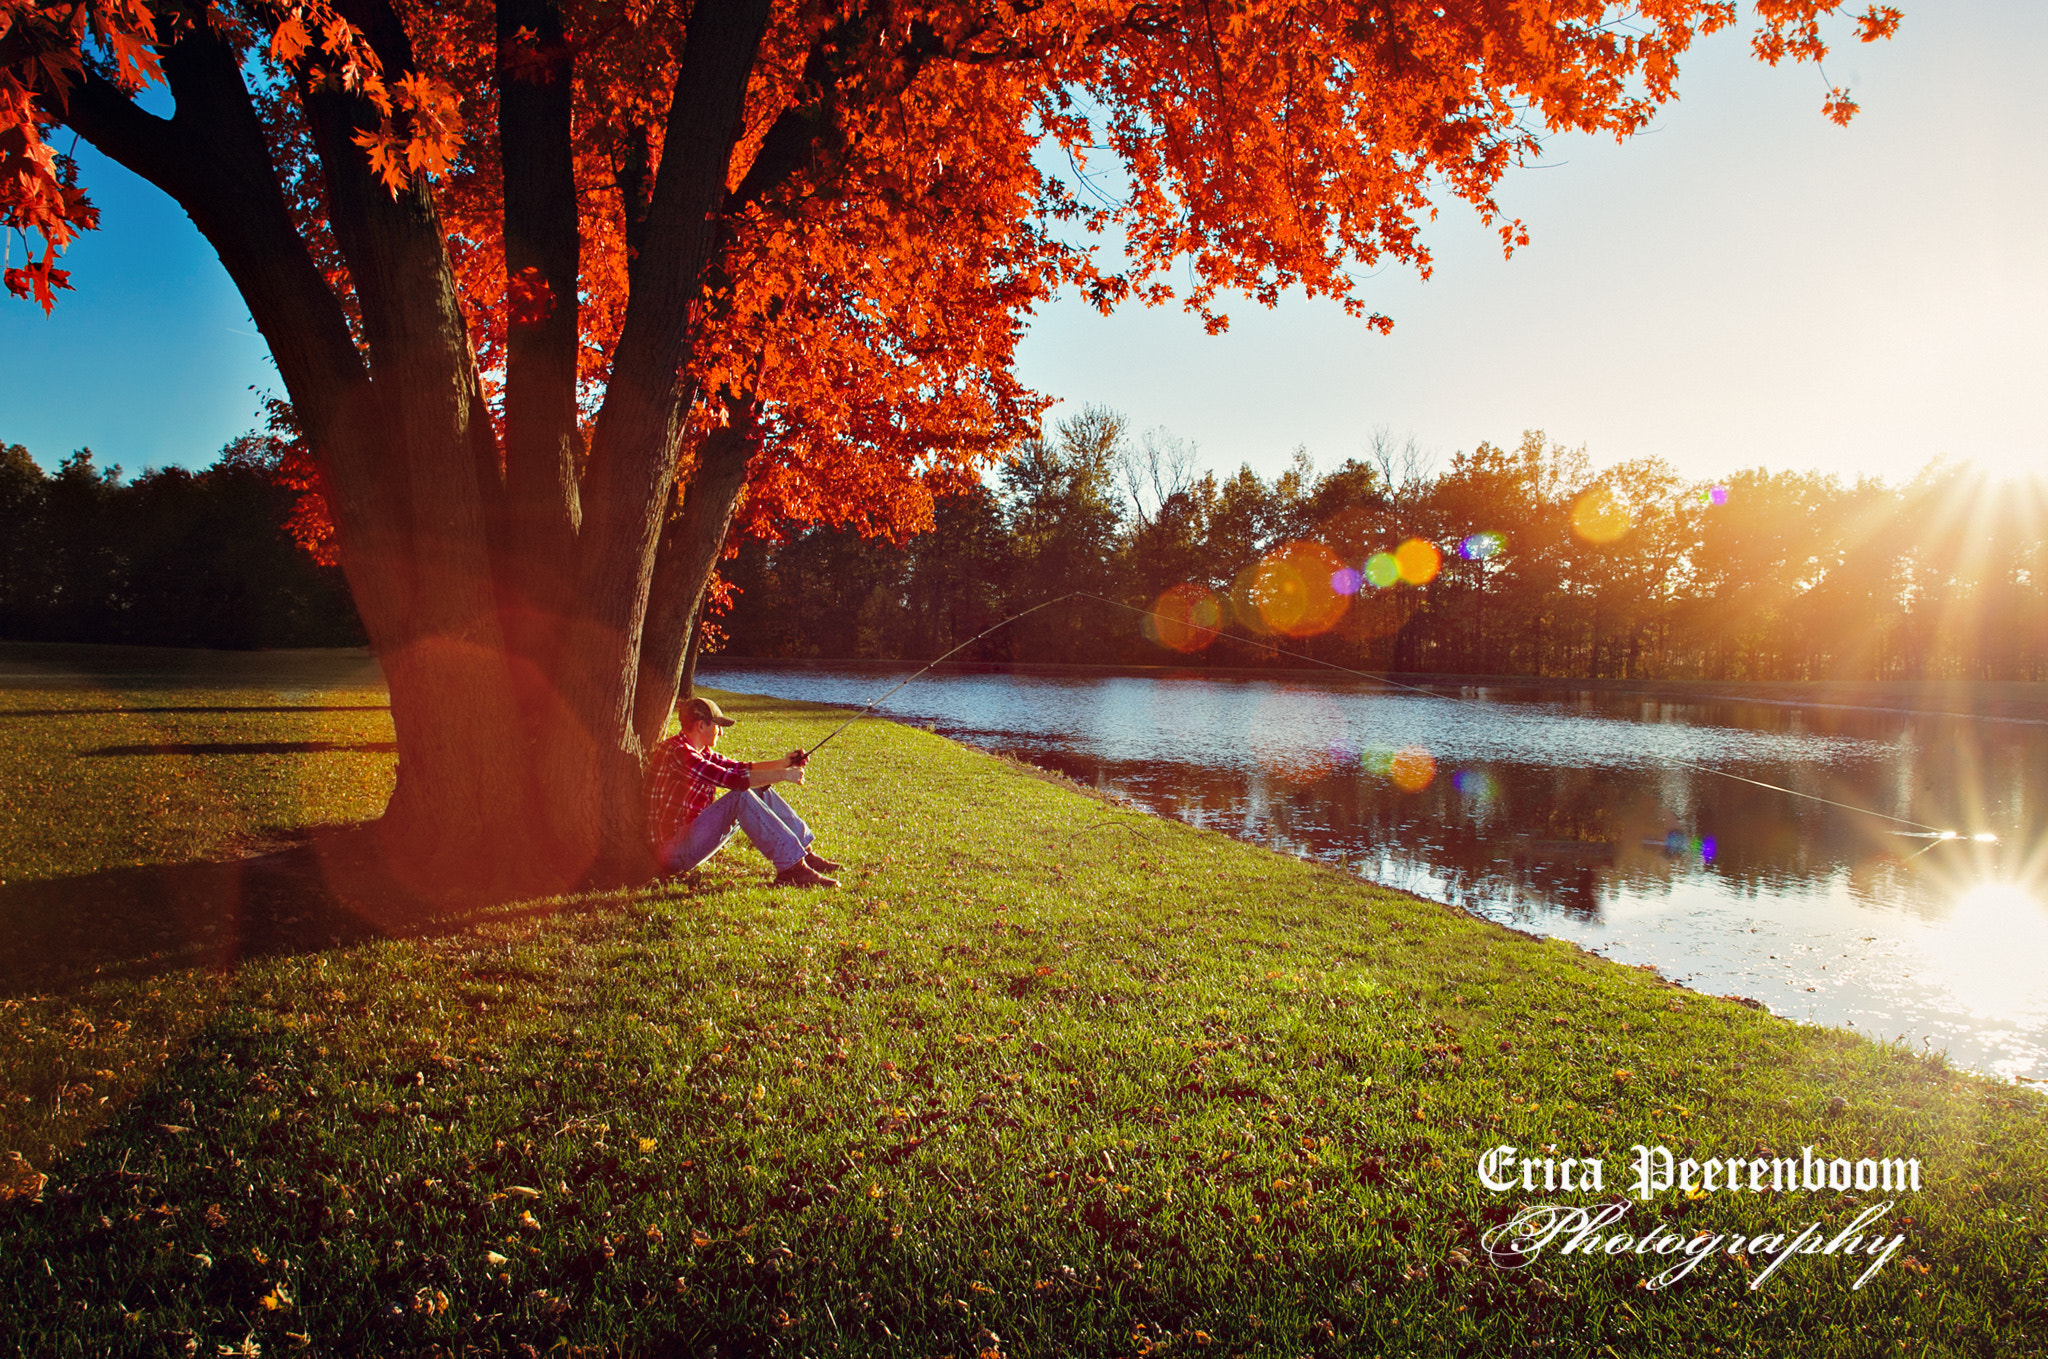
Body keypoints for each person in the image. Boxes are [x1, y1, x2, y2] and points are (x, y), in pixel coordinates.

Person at [647, 696, 844, 887]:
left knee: (757, 788)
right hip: (673, 851)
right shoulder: (678, 753)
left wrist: (785, 763)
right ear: (701, 725)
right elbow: (733, 780)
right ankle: (792, 869)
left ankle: (805, 854)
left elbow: (741, 768)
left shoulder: (699, 751)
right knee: (740, 795)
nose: (721, 733)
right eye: (718, 726)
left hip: (690, 839)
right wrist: (784, 775)